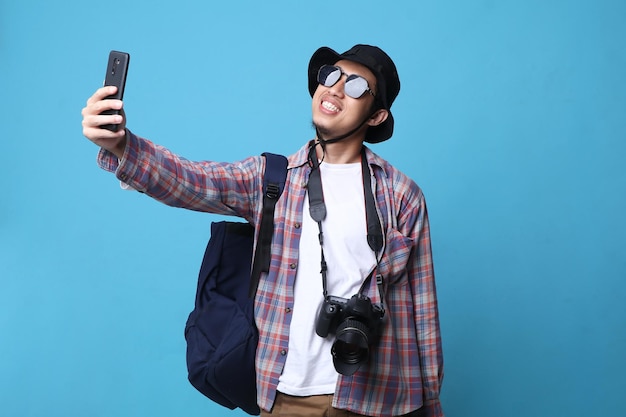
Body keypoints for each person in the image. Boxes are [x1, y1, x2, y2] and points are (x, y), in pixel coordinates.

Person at [82, 44, 444, 417]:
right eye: (331, 76)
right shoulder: (272, 180)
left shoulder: (401, 195)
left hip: (378, 398)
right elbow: (192, 180)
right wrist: (122, 145)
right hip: (286, 397)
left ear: (376, 115)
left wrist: (431, 405)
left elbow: (424, 312)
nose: (336, 89)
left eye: (356, 86)